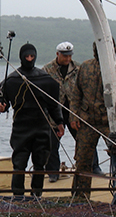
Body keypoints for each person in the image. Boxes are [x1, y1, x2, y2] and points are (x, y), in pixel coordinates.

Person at [69, 40, 116, 198]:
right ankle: (80, 197)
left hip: (110, 123)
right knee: (82, 161)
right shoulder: (85, 67)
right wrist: (73, 115)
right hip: (87, 121)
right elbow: (76, 94)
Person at [0, 43, 65, 196]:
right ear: (21, 57)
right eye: (27, 56)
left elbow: (53, 104)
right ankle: (18, 195)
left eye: (32, 56)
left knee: (40, 163)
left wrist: (59, 122)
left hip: (42, 125)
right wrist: (0, 105)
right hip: (21, 126)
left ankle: (37, 195)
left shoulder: (45, 80)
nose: (29, 59)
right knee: (19, 163)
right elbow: (2, 99)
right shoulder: (12, 80)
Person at [42, 41, 100, 182]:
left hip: (75, 112)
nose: (67, 59)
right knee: (52, 142)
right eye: (64, 56)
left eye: (69, 56)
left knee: (85, 139)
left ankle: (94, 167)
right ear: (57, 54)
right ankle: (53, 172)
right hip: (56, 112)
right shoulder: (47, 70)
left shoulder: (79, 68)